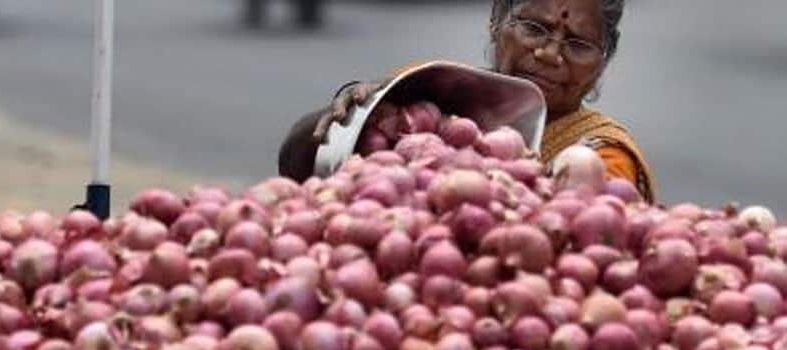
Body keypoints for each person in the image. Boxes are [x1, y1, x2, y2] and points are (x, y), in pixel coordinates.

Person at [277, 0, 656, 203]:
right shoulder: (426, 94)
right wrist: (350, 118)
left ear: (605, 57)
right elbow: (297, 164)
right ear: (497, 18)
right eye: (533, 28)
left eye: (578, 44)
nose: (549, 54)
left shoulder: (605, 157)